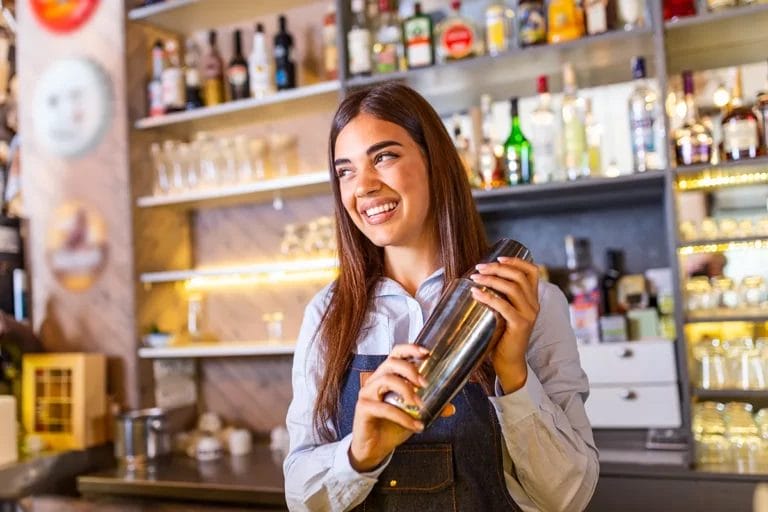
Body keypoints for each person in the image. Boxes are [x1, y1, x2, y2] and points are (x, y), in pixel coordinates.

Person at [284, 82, 598, 511]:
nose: (364, 187)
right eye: (345, 171)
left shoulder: (530, 302)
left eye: (384, 157)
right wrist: (360, 454)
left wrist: (512, 372)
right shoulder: (328, 313)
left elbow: (570, 497)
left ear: (436, 162)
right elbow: (299, 497)